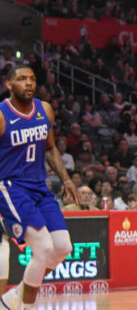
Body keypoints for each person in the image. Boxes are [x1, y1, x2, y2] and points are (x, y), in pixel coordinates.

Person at [0, 65, 80, 309]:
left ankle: (14, 298)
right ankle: (26, 306)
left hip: (39, 186)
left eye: (32, 79)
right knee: (44, 248)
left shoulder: (44, 109)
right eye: (22, 79)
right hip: (11, 187)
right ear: (9, 85)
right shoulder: (2, 115)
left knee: (64, 247)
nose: (29, 83)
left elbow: (50, 148)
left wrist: (66, 179)